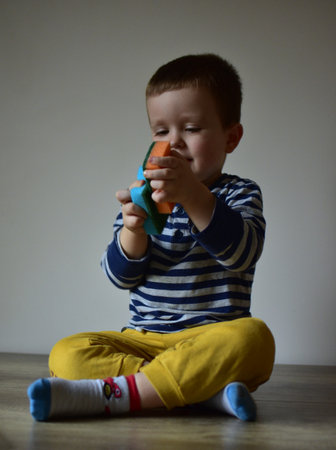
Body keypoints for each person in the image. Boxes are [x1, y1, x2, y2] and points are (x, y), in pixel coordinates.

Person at [28, 54, 275, 422]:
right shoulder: (145, 197)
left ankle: (123, 394)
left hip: (211, 339)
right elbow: (119, 277)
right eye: (161, 131)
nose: (173, 143)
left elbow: (241, 254)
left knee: (255, 339)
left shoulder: (238, 195)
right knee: (67, 352)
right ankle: (200, 393)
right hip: (144, 341)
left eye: (191, 128)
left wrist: (193, 196)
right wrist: (132, 229)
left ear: (231, 137)